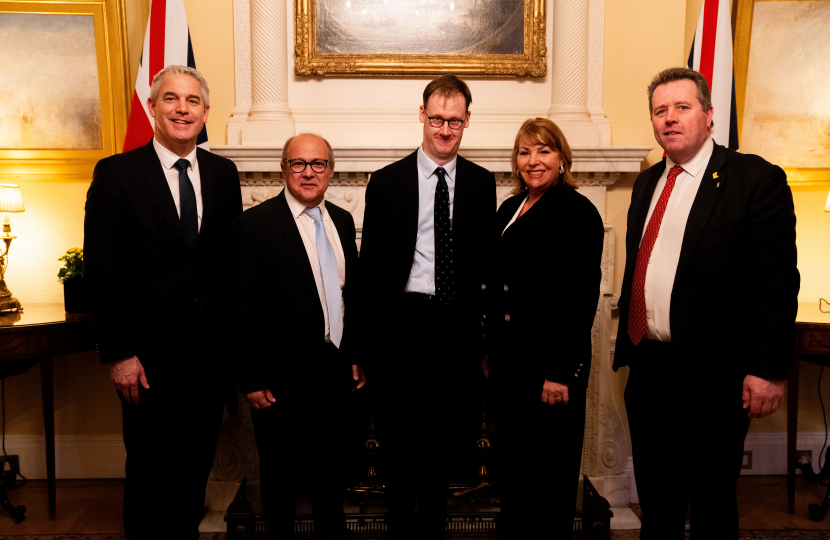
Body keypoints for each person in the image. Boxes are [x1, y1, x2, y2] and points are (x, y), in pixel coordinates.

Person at [614, 67, 799, 539]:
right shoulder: (647, 183)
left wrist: (769, 368)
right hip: (650, 367)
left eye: (682, 107)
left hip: (714, 375)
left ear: (709, 115)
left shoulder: (754, 180)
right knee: (657, 501)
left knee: (712, 501)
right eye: (660, 110)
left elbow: (775, 283)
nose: (669, 119)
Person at [84, 65, 243, 539]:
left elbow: (230, 266)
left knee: (193, 476)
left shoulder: (223, 173)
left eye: (192, 101)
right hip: (146, 363)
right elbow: (101, 270)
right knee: (150, 478)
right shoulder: (117, 173)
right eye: (171, 99)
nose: (182, 109)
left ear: (206, 113)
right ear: (152, 107)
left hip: (209, 362)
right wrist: (119, 353)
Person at [359, 75, 496, 539]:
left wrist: (480, 335)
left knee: (443, 446)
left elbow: (483, 263)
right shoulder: (386, 182)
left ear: (467, 122)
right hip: (398, 326)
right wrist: (364, 343)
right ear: (421, 115)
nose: (444, 129)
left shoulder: (480, 184)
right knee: (398, 446)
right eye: (436, 118)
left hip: (453, 329)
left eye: (454, 121)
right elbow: (369, 269)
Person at [230, 133, 365, 540]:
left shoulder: (341, 220)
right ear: (284, 169)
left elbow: (350, 296)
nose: (309, 172)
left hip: (334, 373)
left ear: (331, 171)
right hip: (277, 381)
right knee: (280, 480)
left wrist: (355, 354)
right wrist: (251, 379)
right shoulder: (254, 225)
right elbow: (239, 308)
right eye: (299, 164)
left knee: (330, 475)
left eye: (318, 164)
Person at [483, 117, 604, 538]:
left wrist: (558, 371)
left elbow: (579, 298)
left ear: (563, 158)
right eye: (524, 151)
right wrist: (488, 348)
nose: (533, 161)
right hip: (511, 365)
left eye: (544, 150)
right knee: (516, 474)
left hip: (550, 371)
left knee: (549, 477)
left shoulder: (577, 211)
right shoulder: (508, 208)